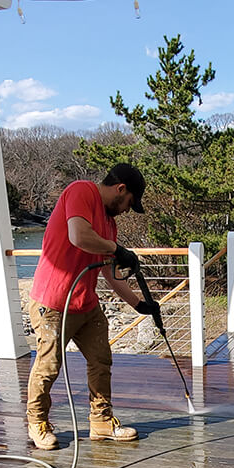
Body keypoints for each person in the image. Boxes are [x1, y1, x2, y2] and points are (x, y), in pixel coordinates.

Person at [26, 163, 162, 450]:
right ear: (120, 189)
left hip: (86, 304)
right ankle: (37, 423)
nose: (127, 210)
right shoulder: (81, 191)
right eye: (129, 203)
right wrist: (116, 249)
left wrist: (140, 305)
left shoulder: (109, 225)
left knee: (101, 361)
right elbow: (78, 236)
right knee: (48, 367)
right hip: (53, 303)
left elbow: (111, 274)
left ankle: (101, 422)